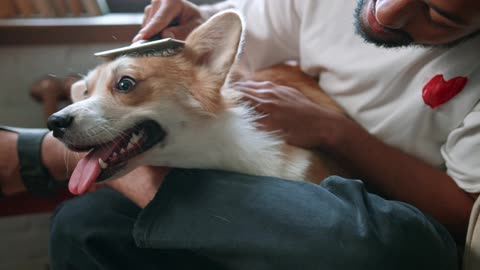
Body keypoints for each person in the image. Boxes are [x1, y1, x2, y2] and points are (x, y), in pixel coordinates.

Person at [1, 0, 479, 269]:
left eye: (440, 14)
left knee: (368, 246)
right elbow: (229, 29)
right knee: (87, 225)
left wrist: (335, 132)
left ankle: (50, 158)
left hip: (389, 219)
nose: (386, 12)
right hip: (261, 195)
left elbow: (462, 215)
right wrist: (193, 19)